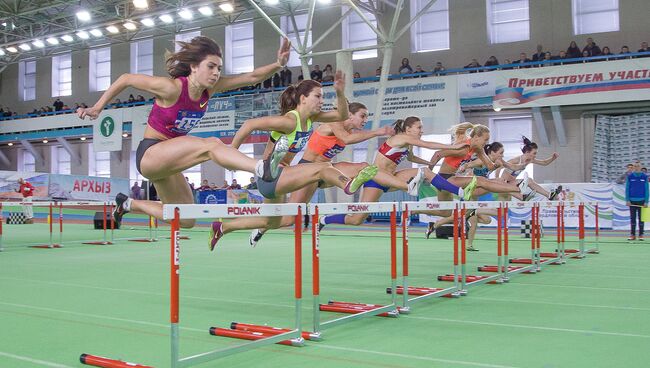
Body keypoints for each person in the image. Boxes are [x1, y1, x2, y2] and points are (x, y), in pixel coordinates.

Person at [77, 36, 293, 229]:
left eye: (219, 68)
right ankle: (261, 168)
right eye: (211, 67)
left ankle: (128, 204)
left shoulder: (211, 89)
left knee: (186, 219)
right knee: (211, 144)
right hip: (151, 154)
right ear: (193, 67)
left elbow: (252, 77)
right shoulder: (171, 88)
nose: (216, 73)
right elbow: (126, 78)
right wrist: (97, 107)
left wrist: (278, 64)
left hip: (169, 161)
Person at [208, 72, 380, 249]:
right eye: (318, 96)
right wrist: (231, 153)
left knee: (273, 222)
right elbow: (249, 124)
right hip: (270, 175)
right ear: (303, 98)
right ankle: (347, 183)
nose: (322, 101)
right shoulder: (290, 121)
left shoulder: (311, 118)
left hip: (278, 179)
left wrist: (339, 92)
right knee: (321, 168)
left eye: (323, 97)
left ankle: (223, 226)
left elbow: (342, 115)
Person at [248, 102, 408, 246]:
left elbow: (350, 136)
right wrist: (378, 132)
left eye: (367, 117)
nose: (365, 120)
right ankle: (261, 227)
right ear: (350, 115)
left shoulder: (350, 130)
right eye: (362, 116)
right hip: (308, 171)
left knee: (364, 166)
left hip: (327, 169)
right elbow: (346, 139)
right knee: (289, 218)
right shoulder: (333, 123)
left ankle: (406, 186)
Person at [318, 119, 500, 230]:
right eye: (419, 127)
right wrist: (452, 147)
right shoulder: (402, 138)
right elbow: (429, 145)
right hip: (376, 180)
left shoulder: (407, 144)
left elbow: (412, 156)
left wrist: (428, 163)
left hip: (393, 176)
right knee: (357, 220)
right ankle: (324, 219)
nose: (421, 130)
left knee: (426, 172)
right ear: (409, 129)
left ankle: (460, 192)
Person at [498, 136, 559, 201]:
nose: (535, 156)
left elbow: (544, 163)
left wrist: (553, 158)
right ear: (527, 152)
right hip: (503, 183)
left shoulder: (530, 160)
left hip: (512, 183)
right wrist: (497, 179)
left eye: (536, 153)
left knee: (529, 180)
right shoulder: (516, 160)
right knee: (525, 181)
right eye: (534, 153)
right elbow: (499, 167)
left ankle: (549, 195)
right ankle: (522, 196)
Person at [626, 162, 648, 241]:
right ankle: (632, 235)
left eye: (638, 166)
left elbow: (647, 190)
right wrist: (627, 200)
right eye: (635, 166)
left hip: (642, 201)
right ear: (633, 167)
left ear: (640, 167)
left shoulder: (645, 177)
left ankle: (641, 235)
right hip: (632, 201)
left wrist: (646, 201)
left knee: (641, 219)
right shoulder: (630, 176)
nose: (636, 167)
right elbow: (627, 188)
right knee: (633, 218)